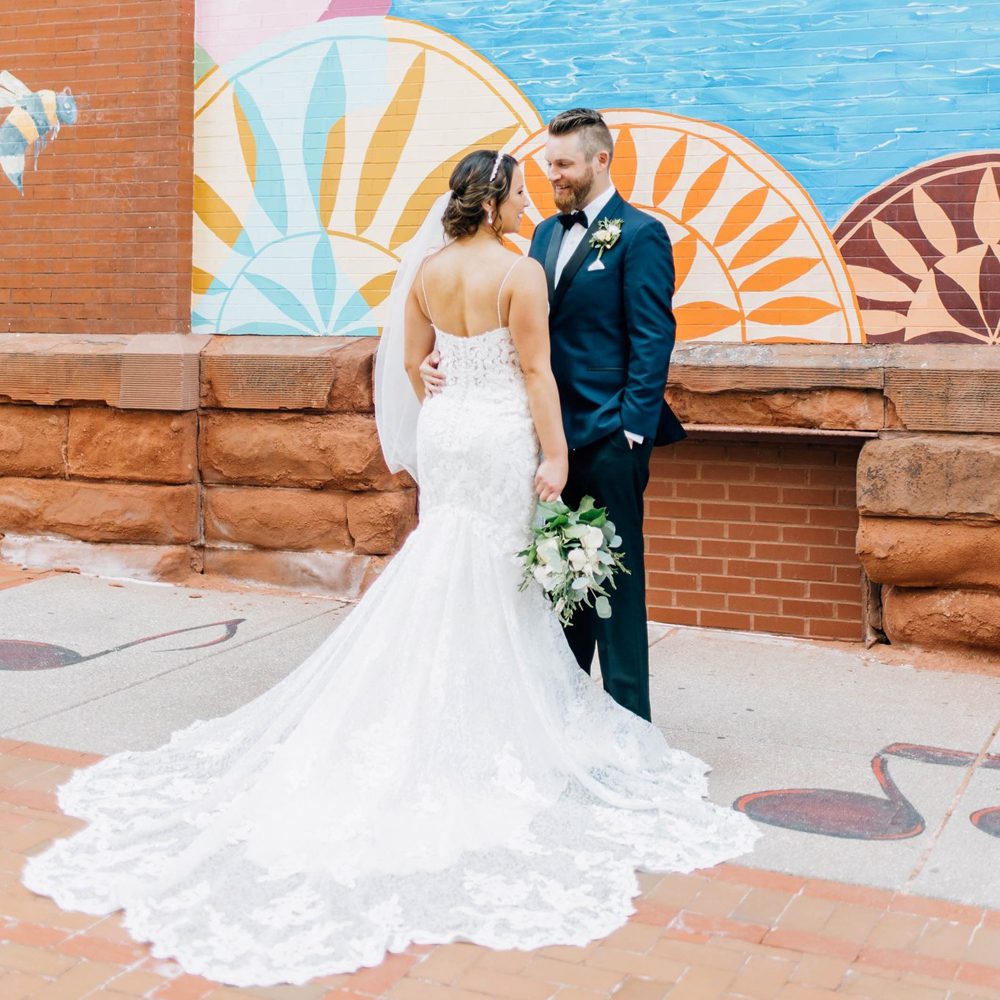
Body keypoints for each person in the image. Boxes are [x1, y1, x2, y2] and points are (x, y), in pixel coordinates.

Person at [21, 150, 757, 989]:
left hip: (448, 438)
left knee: (447, 565)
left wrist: (437, 377)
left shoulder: (430, 272)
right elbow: (535, 372)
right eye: (519, 192)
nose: (528, 203)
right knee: (498, 579)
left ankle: (436, 705)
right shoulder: (519, 274)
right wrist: (554, 453)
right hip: (498, 437)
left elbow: (412, 365)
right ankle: (496, 725)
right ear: (495, 203)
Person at [422, 109, 684, 722]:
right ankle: (563, 720)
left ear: (600, 161)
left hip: (606, 438)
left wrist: (632, 434)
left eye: (563, 164)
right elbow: (511, 329)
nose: (552, 176)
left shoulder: (640, 235)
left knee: (613, 591)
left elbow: (653, 340)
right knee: (555, 588)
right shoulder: (540, 236)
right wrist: (446, 360)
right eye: (547, 165)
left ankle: (627, 728)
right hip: (536, 441)